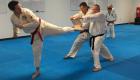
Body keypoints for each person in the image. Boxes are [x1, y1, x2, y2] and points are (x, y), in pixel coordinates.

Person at [8, 0, 80, 79]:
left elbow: (36, 23)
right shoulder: (13, 18)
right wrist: (15, 34)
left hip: (43, 26)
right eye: (18, 7)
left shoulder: (26, 11)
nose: (21, 8)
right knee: (36, 52)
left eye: (20, 6)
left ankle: (74, 29)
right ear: (13, 9)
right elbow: (15, 26)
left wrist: (23, 26)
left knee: (60, 30)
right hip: (34, 34)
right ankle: (37, 70)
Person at [82, 4, 114, 72]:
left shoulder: (100, 15)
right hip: (94, 36)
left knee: (94, 50)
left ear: (98, 9)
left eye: (94, 9)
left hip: (99, 36)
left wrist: (88, 12)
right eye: (92, 9)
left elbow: (87, 18)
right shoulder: (93, 16)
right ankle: (110, 57)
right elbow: (86, 21)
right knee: (102, 47)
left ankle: (97, 66)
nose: (92, 10)